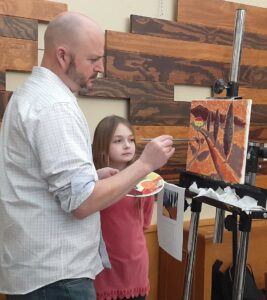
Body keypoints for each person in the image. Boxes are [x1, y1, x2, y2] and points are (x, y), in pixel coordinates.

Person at [0, 11, 175, 300]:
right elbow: (81, 203)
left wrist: (92, 178)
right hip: (57, 280)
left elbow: (46, 182)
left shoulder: (31, 95)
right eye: (93, 59)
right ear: (62, 55)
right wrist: (145, 163)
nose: (100, 68)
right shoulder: (55, 106)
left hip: (41, 274)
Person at [92, 115, 154, 300]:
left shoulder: (145, 182)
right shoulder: (95, 183)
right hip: (102, 269)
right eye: (118, 141)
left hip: (136, 268)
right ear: (102, 145)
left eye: (131, 140)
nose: (127, 145)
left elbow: (144, 224)